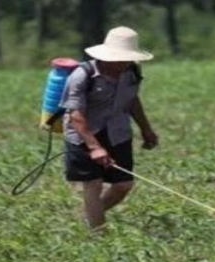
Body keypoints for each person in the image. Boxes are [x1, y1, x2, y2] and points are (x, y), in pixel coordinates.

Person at [59, 26, 158, 231]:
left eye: (127, 58)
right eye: (119, 58)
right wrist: (94, 147)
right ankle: (98, 236)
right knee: (93, 184)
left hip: (117, 133)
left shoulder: (131, 72)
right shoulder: (81, 76)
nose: (124, 62)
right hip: (83, 134)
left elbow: (131, 101)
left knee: (123, 185)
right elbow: (75, 115)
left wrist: (146, 129)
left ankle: (89, 217)